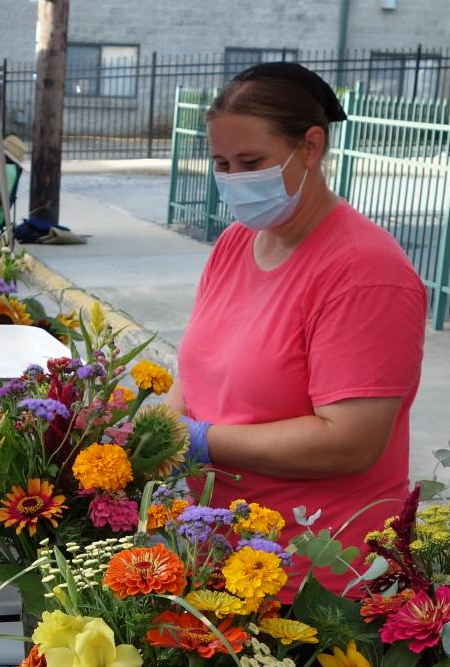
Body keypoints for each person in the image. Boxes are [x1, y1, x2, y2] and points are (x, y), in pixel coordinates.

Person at [175, 61, 424, 590]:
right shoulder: (236, 243)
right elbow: (196, 376)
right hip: (221, 559)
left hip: (316, 579)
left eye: (251, 161)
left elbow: (349, 442)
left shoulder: (364, 271)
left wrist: (202, 442)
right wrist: (152, 435)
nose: (234, 181)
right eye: (221, 163)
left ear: (310, 147)